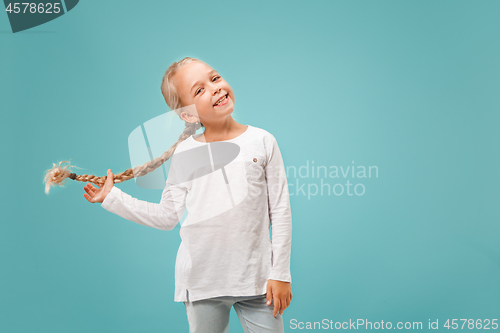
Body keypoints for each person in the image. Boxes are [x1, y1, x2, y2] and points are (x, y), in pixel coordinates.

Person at [81, 57, 292, 333]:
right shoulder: (185, 154)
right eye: (199, 90)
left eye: (214, 79)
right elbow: (167, 216)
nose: (214, 88)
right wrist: (113, 198)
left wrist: (280, 274)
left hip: (258, 281)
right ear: (190, 115)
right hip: (202, 281)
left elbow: (280, 210)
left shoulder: (263, 141)